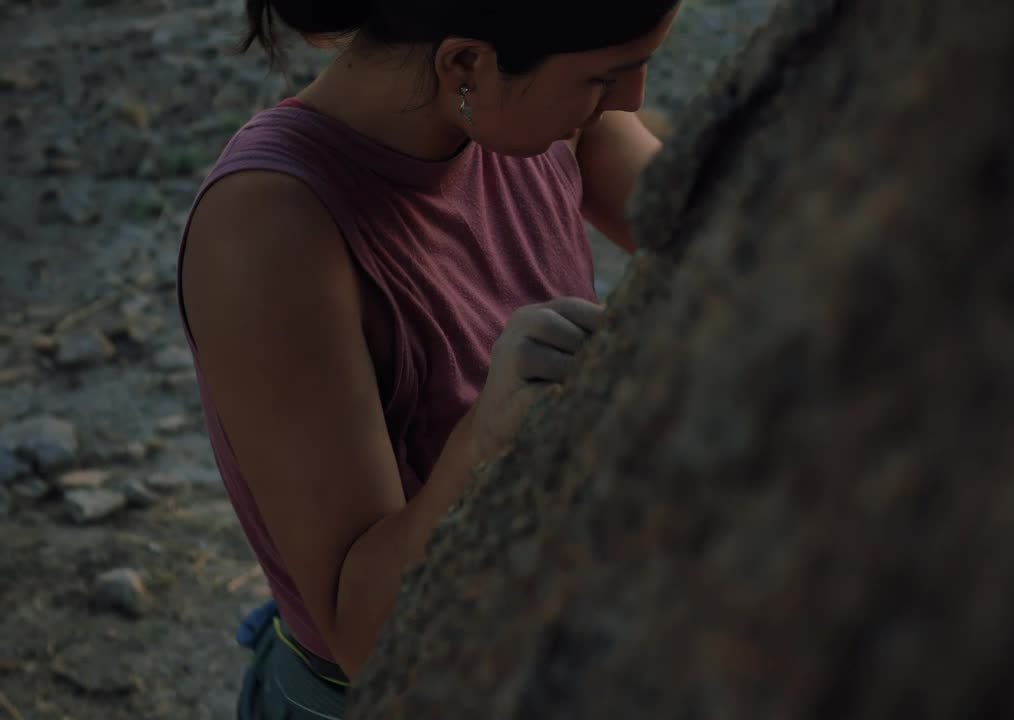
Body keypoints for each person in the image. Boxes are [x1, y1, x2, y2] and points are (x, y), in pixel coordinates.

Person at [175, 0, 682, 716]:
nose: (632, 100)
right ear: (466, 64)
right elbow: (365, 635)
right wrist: (486, 440)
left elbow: (719, 219)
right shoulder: (273, 231)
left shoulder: (540, 118)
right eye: (607, 77)